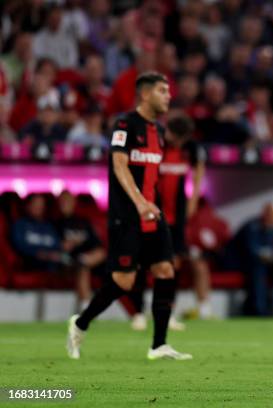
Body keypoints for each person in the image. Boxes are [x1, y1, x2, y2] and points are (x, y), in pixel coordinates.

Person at [66, 72, 192, 360]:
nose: (168, 96)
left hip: (152, 213)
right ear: (145, 94)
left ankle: (159, 344)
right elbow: (119, 166)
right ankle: (80, 323)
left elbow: (153, 176)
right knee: (123, 282)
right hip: (127, 215)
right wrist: (139, 202)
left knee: (165, 270)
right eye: (162, 91)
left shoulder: (159, 132)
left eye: (169, 91)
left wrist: (155, 206)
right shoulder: (124, 124)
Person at [129, 114, 208, 329]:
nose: (178, 142)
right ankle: (138, 312)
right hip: (152, 212)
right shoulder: (153, 145)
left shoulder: (189, 149)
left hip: (176, 217)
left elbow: (200, 165)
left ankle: (166, 311)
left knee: (173, 264)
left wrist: (193, 198)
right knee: (143, 263)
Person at [232, 202, 273, 317]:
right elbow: (252, 253)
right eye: (271, 215)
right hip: (243, 265)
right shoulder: (251, 227)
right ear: (265, 214)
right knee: (258, 268)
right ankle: (259, 311)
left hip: (265, 265)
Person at [56, 191, 106, 312]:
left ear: (74, 203)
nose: (65, 204)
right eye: (62, 202)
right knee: (82, 266)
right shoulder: (56, 223)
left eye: (68, 201)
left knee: (102, 254)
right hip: (68, 261)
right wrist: (69, 244)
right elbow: (55, 246)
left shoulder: (83, 222)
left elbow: (98, 245)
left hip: (90, 259)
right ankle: (87, 307)